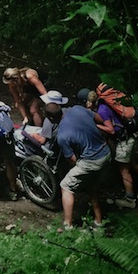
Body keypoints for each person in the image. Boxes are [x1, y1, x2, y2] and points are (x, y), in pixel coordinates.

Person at [80, 88, 138, 209]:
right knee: (131, 163)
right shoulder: (104, 102)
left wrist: (97, 125)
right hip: (130, 135)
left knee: (124, 170)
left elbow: (111, 129)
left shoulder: (102, 110)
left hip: (125, 141)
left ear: (88, 102)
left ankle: (130, 199)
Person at [43, 92, 111, 232]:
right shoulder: (77, 109)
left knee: (66, 186)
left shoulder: (62, 136)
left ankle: (67, 225)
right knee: (93, 188)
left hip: (92, 161)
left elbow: (72, 160)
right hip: (107, 152)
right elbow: (98, 118)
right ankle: (99, 222)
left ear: (50, 118)